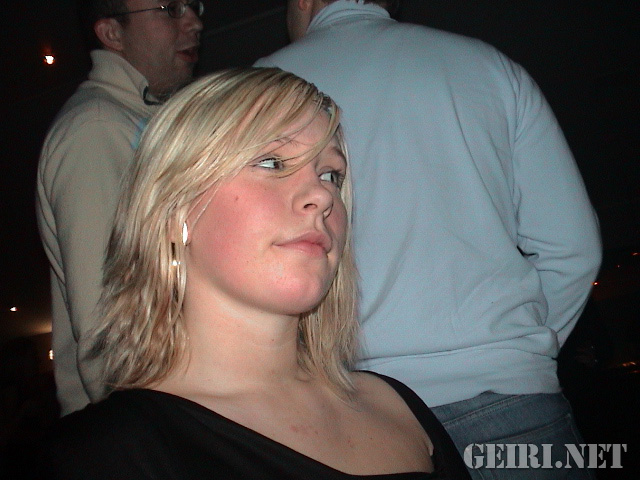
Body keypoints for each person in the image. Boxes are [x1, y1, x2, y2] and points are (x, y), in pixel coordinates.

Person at [45, 68, 471, 479]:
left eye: (330, 174)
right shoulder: (103, 454)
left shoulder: (398, 408)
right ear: (174, 210)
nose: (322, 195)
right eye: (271, 162)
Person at [254, 1, 602, 478]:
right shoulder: (488, 67)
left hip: (347, 415)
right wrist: (516, 353)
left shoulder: (258, 91)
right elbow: (573, 249)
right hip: (511, 406)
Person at [36, 0, 203, 415]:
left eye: (193, 6)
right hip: (151, 423)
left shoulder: (145, 123)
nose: (194, 22)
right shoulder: (98, 129)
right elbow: (108, 328)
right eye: (170, 8)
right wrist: (156, 435)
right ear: (112, 33)